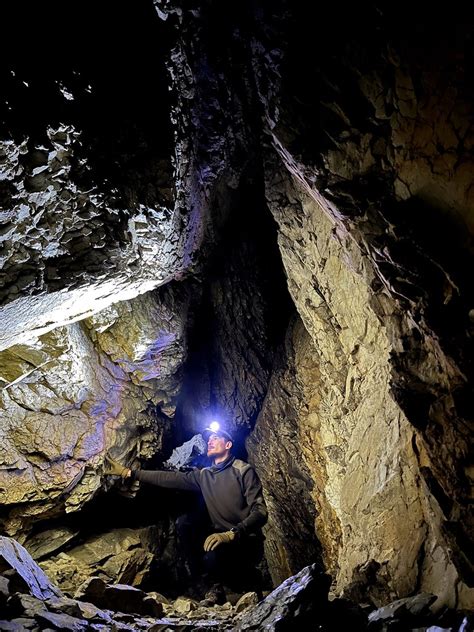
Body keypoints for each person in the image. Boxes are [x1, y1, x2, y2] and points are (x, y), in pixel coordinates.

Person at [104, 427, 268, 602]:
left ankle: (251, 583)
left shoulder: (243, 471)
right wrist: (129, 473)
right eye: (209, 439)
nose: (210, 441)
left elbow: (260, 511)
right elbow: (169, 478)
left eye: (215, 438)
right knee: (185, 524)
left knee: (220, 559)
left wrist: (233, 533)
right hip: (221, 540)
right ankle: (213, 587)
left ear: (228, 444)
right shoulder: (204, 475)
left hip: (245, 540)